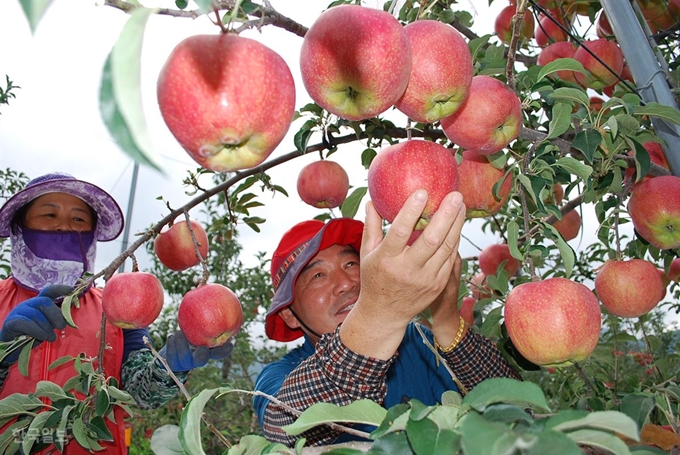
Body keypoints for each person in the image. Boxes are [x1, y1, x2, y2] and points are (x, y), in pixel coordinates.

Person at [254, 189, 522, 447]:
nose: (346, 283)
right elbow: (285, 424)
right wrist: (379, 315)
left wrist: (446, 319)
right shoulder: (276, 376)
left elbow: (517, 412)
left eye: (351, 264)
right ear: (289, 315)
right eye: (317, 276)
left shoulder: (417, 343)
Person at [0, 172, 232, 455]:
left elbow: (140, 391)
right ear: (19, 226)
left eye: (78, 219)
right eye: (49, 215)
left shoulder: (114, 307)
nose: (64, 226)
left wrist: (170, 369)